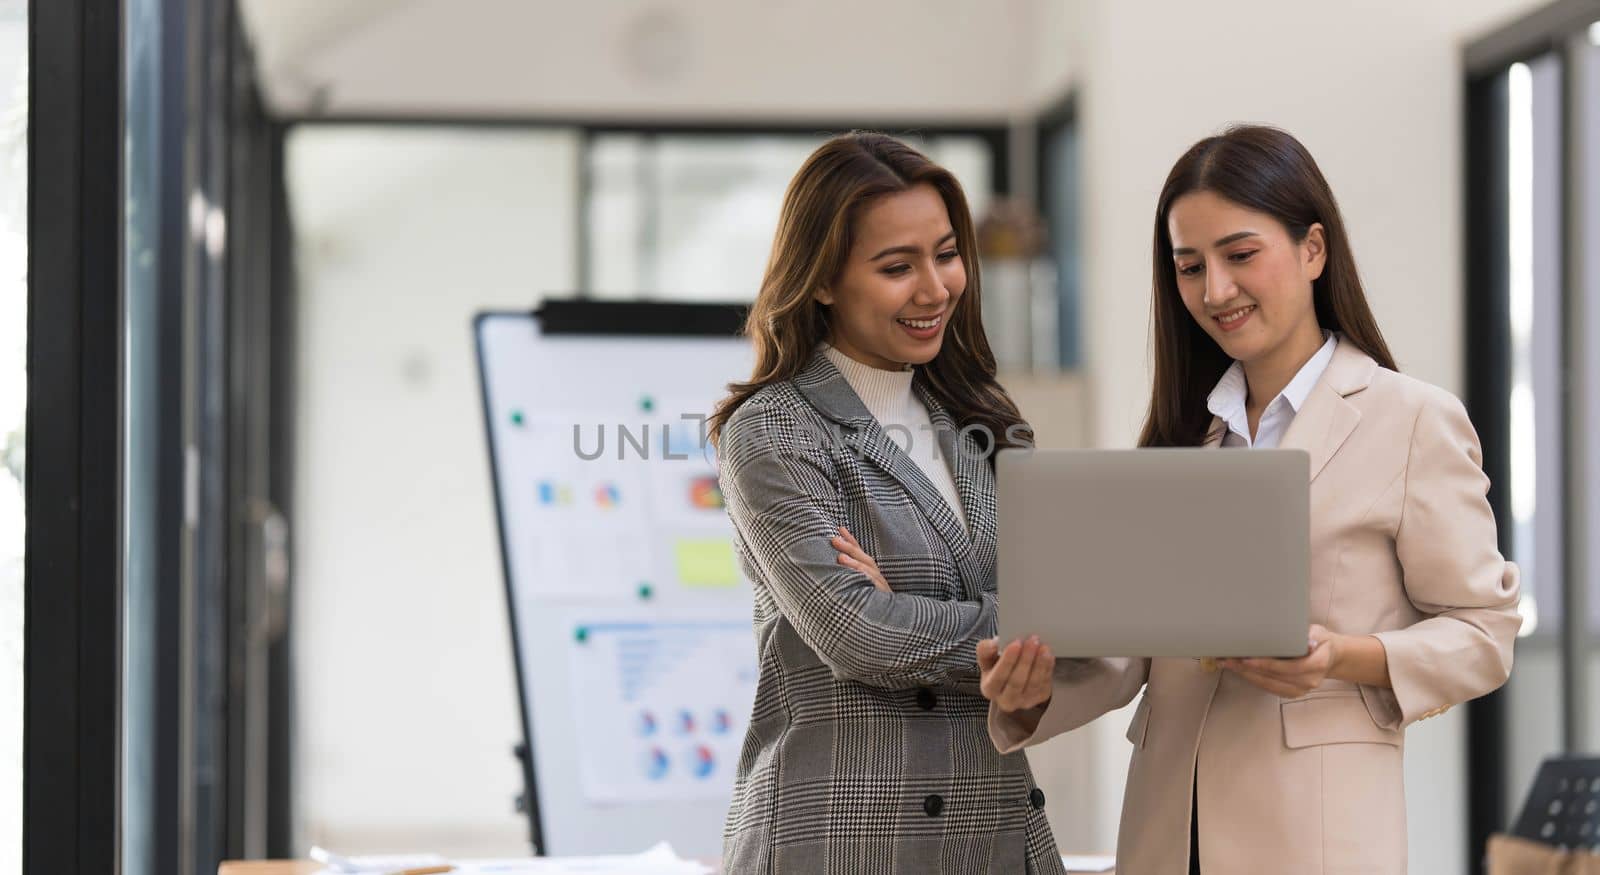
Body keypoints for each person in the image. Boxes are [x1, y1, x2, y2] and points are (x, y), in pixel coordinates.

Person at [979, 124, 1522, 874]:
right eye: (1189, 266)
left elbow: (1485, 633)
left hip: (1316, 839)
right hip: (1168, 832)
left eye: (1240, 255)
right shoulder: (1185, 433)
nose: (1215, 290)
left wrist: (1343, 657)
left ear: (1312, 250)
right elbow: (1135, 652)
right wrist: (1032, 691)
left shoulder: (1410, 419)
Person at [708, 131, 1063, 873]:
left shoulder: (983, 419)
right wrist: (1028, 622)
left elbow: (1065, 619)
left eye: (945, 253)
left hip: (994, 834)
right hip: (846, 836)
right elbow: (860, 634)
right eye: (897, 266)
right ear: (824, 280)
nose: (934, 288)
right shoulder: (775, 427)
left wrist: (912, 610)